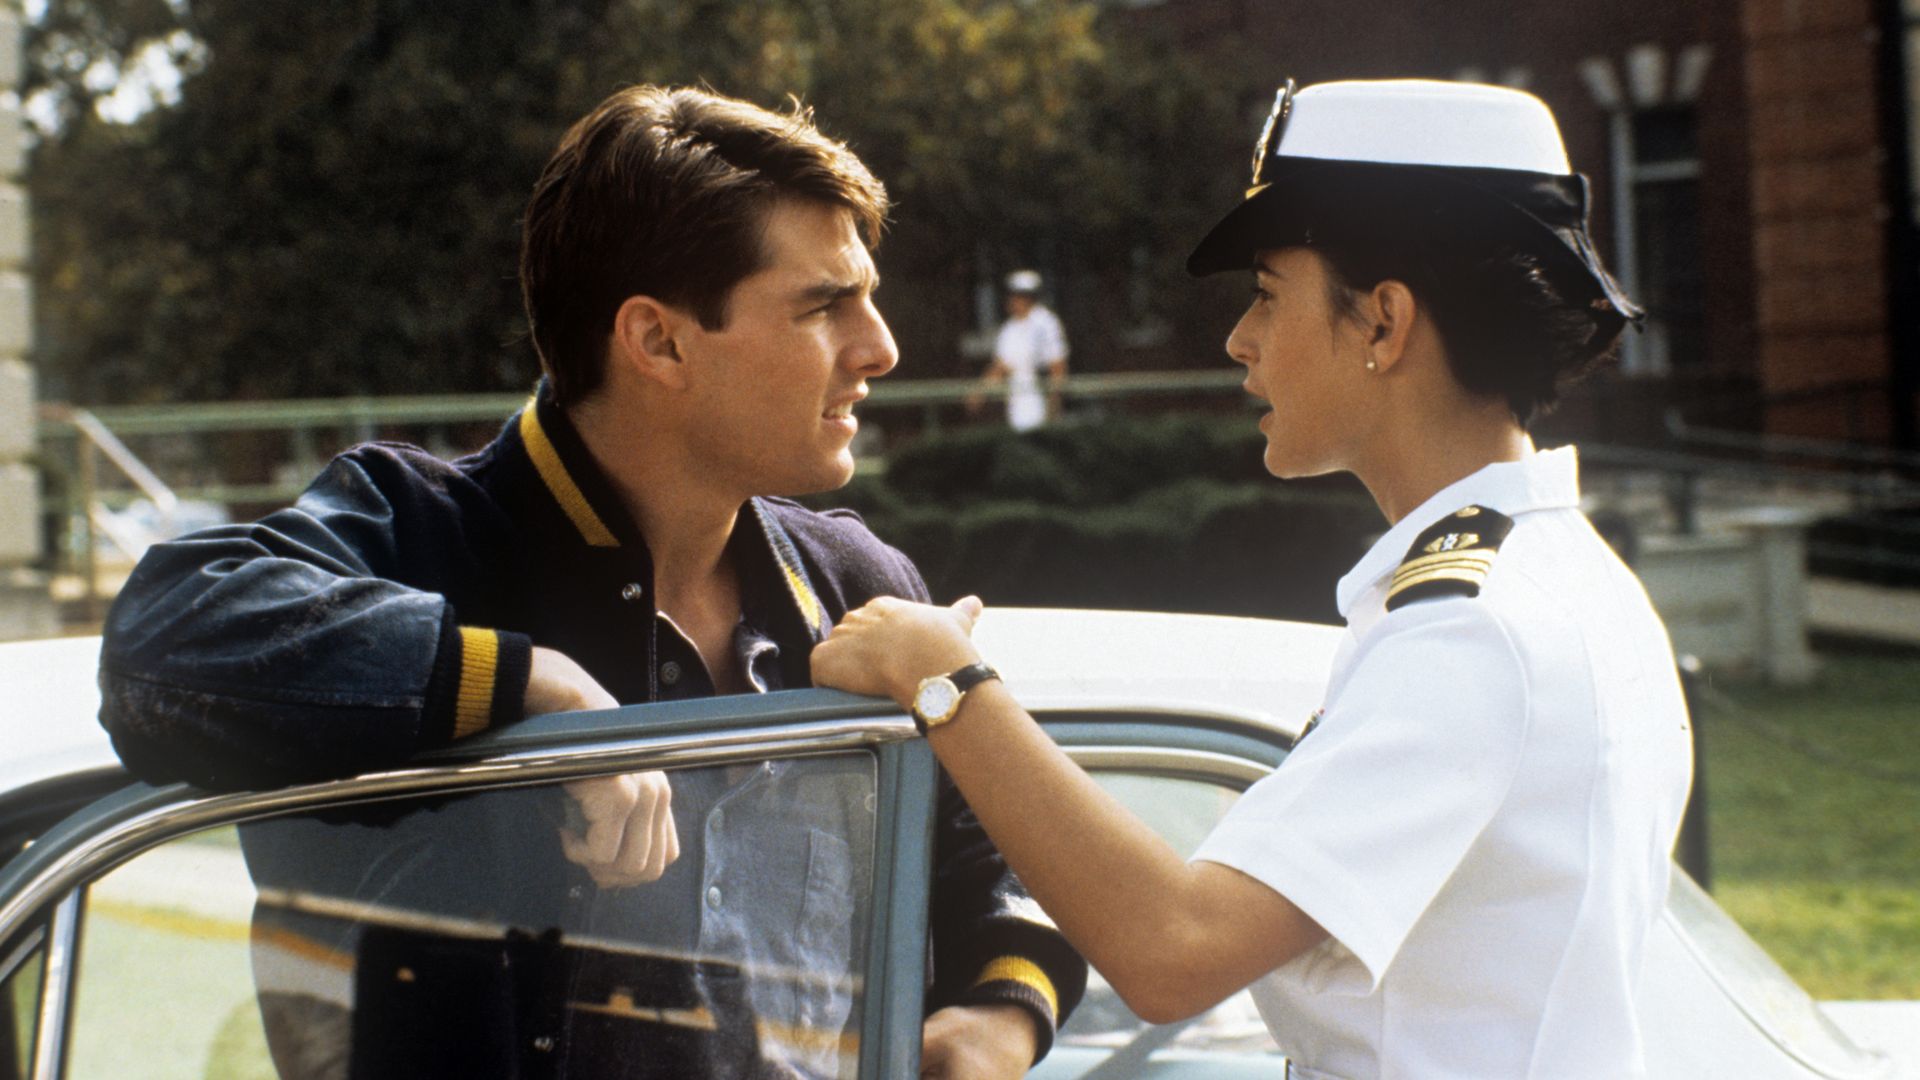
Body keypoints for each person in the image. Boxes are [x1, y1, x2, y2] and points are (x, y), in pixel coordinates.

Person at [97, 85, 1083, 1078]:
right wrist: (537, 696)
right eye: (824, 306)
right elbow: (158, 642)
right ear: (656, 341)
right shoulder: (418, 535)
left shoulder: (858, 583)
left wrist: (999, 1019)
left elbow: (990, 875)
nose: (882, 348)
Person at [813, 78, 1693, 1079]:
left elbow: (1175, 951)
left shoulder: (1474, 630)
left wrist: (947, 680)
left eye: (1269, 296)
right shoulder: (1553, 578)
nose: (1240, 338)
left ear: (1384, 324)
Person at [973, 269, 1068, 431]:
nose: (1012, 300)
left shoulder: (1045, 323)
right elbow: (1001, 366)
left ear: (1028, 298)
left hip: (1040, 395)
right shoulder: (1009, 329)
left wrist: (1054, 403)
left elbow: (1057, 365)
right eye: (1011, 295)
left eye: (1017, 296)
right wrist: (980, 392)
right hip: (1017, 402)